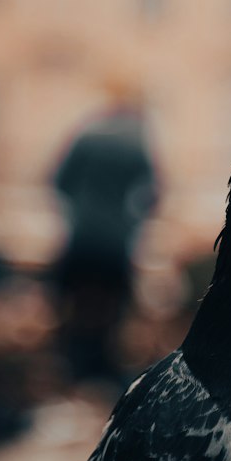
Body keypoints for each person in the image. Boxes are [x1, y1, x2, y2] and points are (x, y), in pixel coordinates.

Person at [49, 75, 159, 387]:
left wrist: (79, 212)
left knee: (73, 307)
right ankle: (100, 374)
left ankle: (73, 369)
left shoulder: (88, 134)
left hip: (82, 238)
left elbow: (59, 181)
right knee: (110, 312)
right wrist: (132, 222)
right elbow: (153, 192)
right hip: (116, 242)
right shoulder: (137, 141)